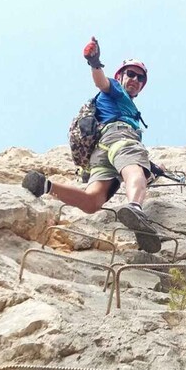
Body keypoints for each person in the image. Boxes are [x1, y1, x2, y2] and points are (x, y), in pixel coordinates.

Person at [22, 37, 161, 252]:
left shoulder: (120, 102)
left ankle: (44, 185)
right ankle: (135, 207)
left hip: (101, 150)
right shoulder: (115, 89)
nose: (135, 79)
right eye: (130, 74)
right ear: (120, 76)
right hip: (119, 137)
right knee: (135, 171)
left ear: (142, 85)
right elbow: (101, 81)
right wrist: (95, 63)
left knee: (92, 201)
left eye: (139, 77)